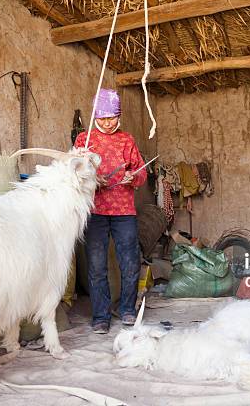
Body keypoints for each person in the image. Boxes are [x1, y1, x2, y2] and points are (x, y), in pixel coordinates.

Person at [75, 89, 147, 334]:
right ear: (96, 116)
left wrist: (132, 177)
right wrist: (93, 179)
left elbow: (142, 172)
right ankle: (101, 316)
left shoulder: (127, 140)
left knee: (129, 262)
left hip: (124, 211)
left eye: (112, 118)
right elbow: (74, 172)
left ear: (119, 116)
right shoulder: (84, 140)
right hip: (94, 210)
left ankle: (127, 309)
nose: (107, 123)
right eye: (103, 118)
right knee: (96, 266)